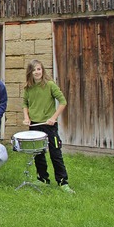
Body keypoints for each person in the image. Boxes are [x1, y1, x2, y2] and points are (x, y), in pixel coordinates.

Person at [22, 59, 75, 194]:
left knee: (55, 153)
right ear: (30, 72)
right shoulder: (28, 88)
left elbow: (63, 101)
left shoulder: (50, 85)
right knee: (38, 154)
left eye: (39, 69)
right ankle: (43, 179)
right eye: (34, 70)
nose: (37, 72)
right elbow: (25, 104)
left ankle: (63, 182)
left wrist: (53, 118)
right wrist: (27, 118)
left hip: (49, 126)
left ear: (42, 70)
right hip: (35, 126)